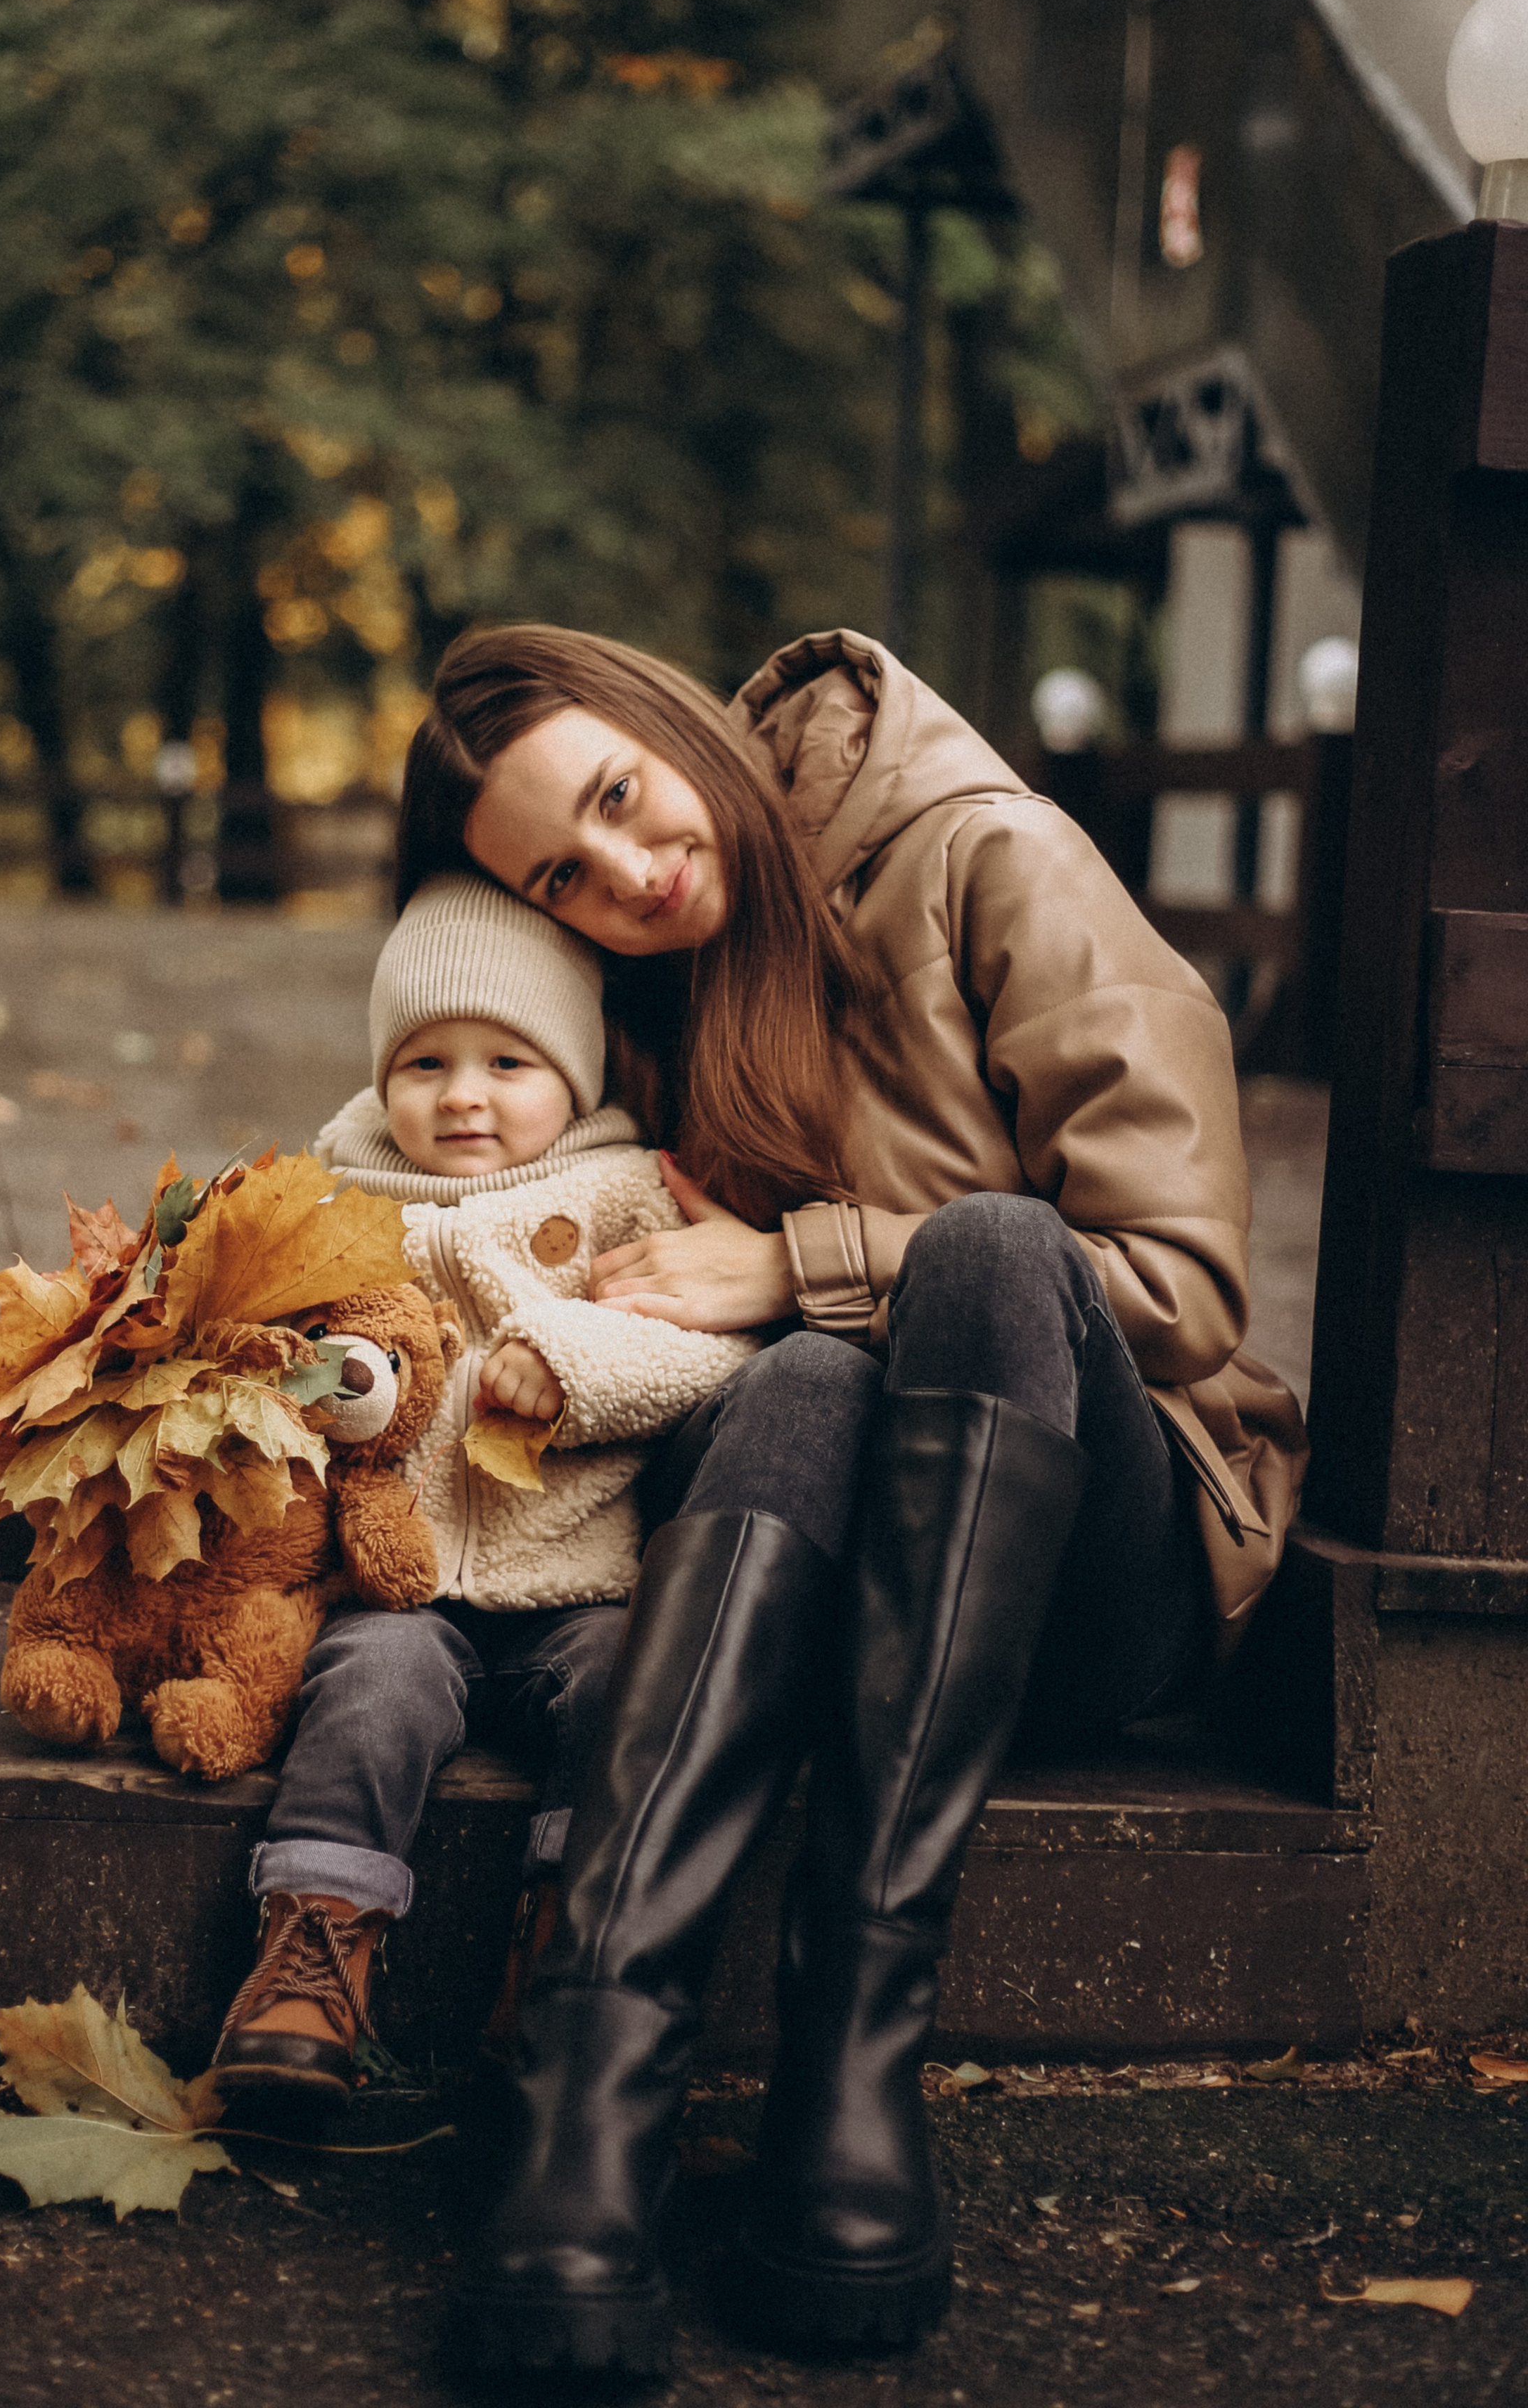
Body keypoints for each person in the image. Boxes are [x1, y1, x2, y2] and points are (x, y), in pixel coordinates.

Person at [390, 624, 1309, 2377]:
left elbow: (1179, 1292)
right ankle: (589, 2114)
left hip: (1099, 1564)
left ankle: (850, 2065)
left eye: (617, 798)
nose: (627, 876)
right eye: (562, 879)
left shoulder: (993, 859)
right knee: (812, 1379)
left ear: (672, 723)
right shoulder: (657, 1000)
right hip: (821, 1591)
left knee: (977, 1255)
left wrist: (796, 1264)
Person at [210, 871, 756, 2122]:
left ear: (573, 1071)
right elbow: (264, 1355)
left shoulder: (627, 1192)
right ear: (380, 1075)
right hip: (394, 1582)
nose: (463, 1095)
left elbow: (711, 1344)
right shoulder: (330, 1196)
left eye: (509, 1061)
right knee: (366, 1691)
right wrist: (331, 1381)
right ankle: (314, 1950)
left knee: (630, 1687)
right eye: (426, 1063)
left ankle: (572, 1947)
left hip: (579, 1576)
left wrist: (575, 1364)